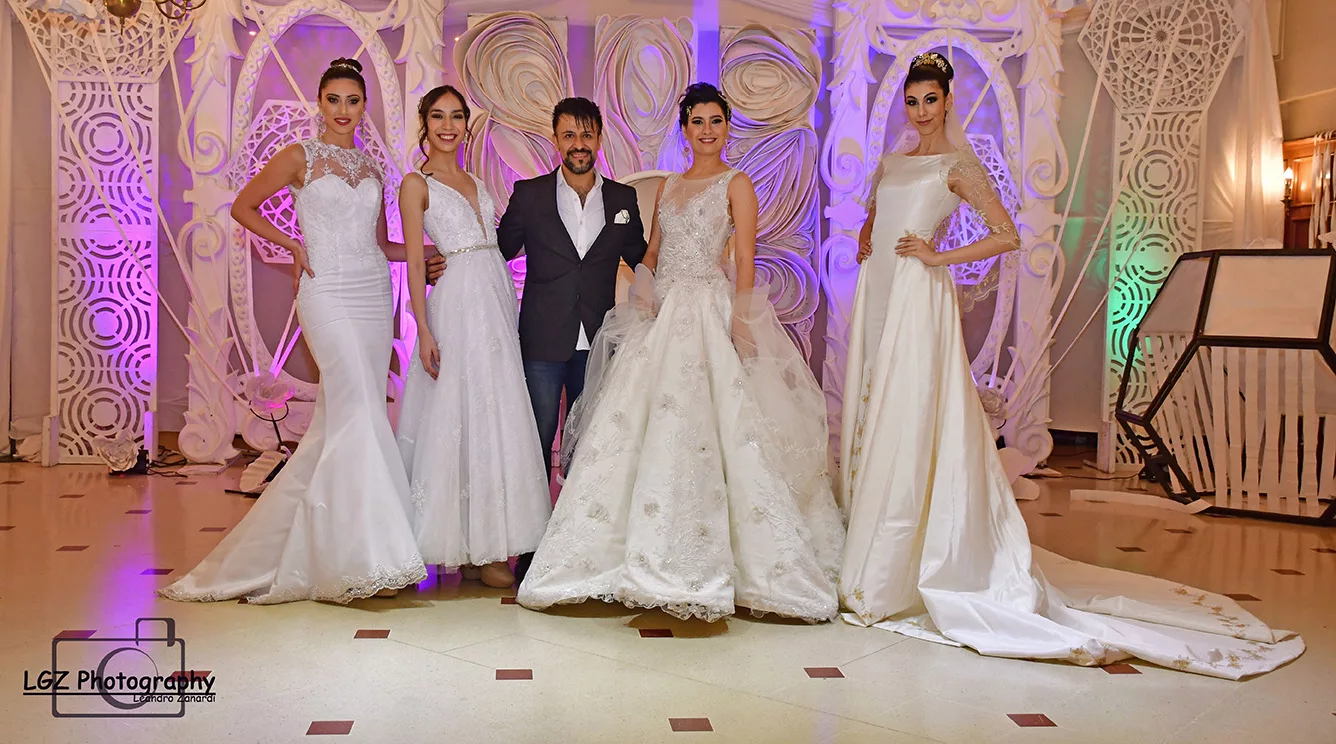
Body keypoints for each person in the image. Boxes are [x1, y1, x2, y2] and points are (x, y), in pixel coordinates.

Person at [838, 51, 1303, 678]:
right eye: (913, 102)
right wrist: (868, 231)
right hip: (879, 289)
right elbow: (880, 209)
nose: (921, 111)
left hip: (919, 296)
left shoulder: (959, 166)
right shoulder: (893, 162)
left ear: (947, 102)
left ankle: (903, 556)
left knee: (910, 410)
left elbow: (1007, 235)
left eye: (931, 100)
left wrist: (936, 257)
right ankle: (871, 537)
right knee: (875, 400)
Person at [516, 83, 845, 623]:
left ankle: (719, 559)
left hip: (707, 310)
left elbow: (745, 260)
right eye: (697, 122)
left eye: (716, 121)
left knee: (711, 427)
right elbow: (651, 250)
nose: (707, 131)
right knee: (633, 426)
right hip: (663, 312)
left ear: (727, 127)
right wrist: (644, 282)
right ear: (685, 129)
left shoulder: (737, 184)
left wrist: (741, 321)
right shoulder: (670, 184)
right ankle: (612, 556)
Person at [161, 59, 439, 604]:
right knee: (359, 410)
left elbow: (381, 243)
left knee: (351, 415)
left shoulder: (372, 167)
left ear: (364, 106)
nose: (343, 110)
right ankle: (368, 558)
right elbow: (243, 207)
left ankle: (350, 549)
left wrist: (432, 251)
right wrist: (292, 244)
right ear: (320, 104)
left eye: (353, 101)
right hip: (325, 290)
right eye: (333, 100)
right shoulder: (299, 157)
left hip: (372, 293)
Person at [395, 85, 551, 589]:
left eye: (457, 116)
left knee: (494, 413)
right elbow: (415, 260)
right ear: (424, 122)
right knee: (458, 414)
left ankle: (484, 546)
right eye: (438, 116)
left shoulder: (477, 180)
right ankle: (464, 548)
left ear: (467, 124)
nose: (448, 126)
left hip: (495, 301)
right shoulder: (415, 184)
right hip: (457, 306)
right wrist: (423, 328)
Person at [496, 97, 648, 582]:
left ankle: (582, 544)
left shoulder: (623, 199)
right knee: (537, 441)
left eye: (586, 134)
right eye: (569, 135)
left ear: (599, 138)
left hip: (599, 339)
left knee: (590, 444)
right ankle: (530, 544)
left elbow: (644, 257)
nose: (578, 144)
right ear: (556, 139)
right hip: (542, 339)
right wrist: (447, 259)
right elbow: (498, 250)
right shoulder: (529, 195)